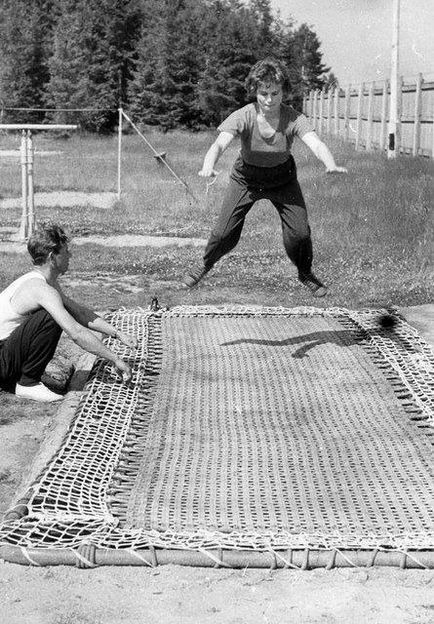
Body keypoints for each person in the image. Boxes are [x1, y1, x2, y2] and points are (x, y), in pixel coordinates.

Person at [183, 58, 347, 296]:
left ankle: (305, 273)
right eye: (263, 93)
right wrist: (208, 165)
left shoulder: (293, 118)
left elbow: (317, 144)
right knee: (223, 233)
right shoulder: (243, 115)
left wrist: (330, 163)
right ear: (255, 91)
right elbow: (219, 144)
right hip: (246, 180)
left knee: (299, 234)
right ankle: (205, 264)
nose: (269, 100)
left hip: (283, 180)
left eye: (275, 92)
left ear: (284, 92)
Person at [0, 223, 137, 402]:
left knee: (57, 311)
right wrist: (114, 359)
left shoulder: (46, 283)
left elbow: (78, 312)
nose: (70, 255)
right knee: (50, 317)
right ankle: (28, 384)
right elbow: (76, 333)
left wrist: (117, 334)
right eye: (65, 251)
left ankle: (19, 381)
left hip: (6, 354)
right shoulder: (40, 288)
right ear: (52, 257)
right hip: (2, 359)